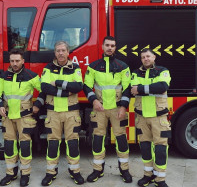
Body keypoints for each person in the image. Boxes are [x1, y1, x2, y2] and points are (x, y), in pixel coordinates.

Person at [83, 36, 132, 183]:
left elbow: (127, 88)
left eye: (112, 45)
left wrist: (123, 107)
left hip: (117, 108)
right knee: (97, 139)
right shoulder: (93, 66)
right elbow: (86, 86)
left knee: (121, 139)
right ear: (102, 47)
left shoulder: (123, 66)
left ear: (115, 48)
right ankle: (98, 170)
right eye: (107, 45)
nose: (110, 48)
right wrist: (94, 101)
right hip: (100, 109)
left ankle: (124, 170)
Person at [40, 41, 84, 186]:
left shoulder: (75, 68)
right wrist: (66, 92)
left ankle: (75, 171)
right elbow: (45, 87)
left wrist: (57, 82)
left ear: (68, 52)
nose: (60, 53)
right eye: (58, 50)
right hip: (53, 112)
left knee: (72, 142)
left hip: (72, 113)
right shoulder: (48, 68)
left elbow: (78, 86)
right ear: (55, 53)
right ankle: (51, 173)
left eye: (63, 50)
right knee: (52, 143)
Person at [0, 49, 44, 187]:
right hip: (7, 117)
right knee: (9, 146)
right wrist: (0, 104)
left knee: (25, 146)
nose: (14, 63)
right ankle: (10, 173)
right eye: (12, 61)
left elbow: (44, 90)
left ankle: (25, 175)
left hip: (24, 117)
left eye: (17, 61)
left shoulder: (31, 76)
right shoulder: (3, 76)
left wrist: (37, 105)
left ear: (23, 61)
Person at [131, 48, 171, 187]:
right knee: (145, 147)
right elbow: (132, 88)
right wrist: (148, 87)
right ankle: (148, 175)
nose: (146, 59)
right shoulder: (136, 73)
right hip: (142, 117)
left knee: (160, 147)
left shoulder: (163, 70)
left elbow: (162, 86)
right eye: (143, 57)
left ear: (154, 57)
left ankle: (160, 179)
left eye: (148, 56)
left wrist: (141, 89)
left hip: (158, 117)